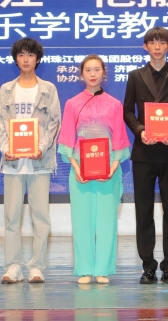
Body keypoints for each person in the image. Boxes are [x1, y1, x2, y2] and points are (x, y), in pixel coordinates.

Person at [123, 27, 168, 284]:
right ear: (145, 46)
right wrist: (140, 130)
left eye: (162, 42)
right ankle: (147, 266)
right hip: (143, 152)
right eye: (152, 42)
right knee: (144, 211)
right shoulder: (135, 76)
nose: (157, 46)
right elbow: (127, 111)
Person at [58, 55, 130, 284]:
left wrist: (113, 166)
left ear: (103, 73)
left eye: (97, 69)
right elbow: (67, 137)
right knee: (82, 219)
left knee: (107, 220)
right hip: (81, 167)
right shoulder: (72, 103)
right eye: (88, 69)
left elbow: (120, 138)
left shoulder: (114, 104)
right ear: (81, 74)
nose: (92, 73)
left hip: (108, 166)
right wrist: (76, 166)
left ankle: (103, 269)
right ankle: (84, 269)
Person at [0, 38, 61, 284]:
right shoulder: (6, 89)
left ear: (37, 59)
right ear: (16, 59)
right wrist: (6, 149)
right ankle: (13, 266)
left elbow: (54, 122)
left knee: (40, 216)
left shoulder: (48, 89)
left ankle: (36, 267)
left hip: (39, 162)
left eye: (30, 55)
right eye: (21, 55)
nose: (26, 59)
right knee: (11, 217)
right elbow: (1, 123)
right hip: (13, 163)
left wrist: (41, 148)